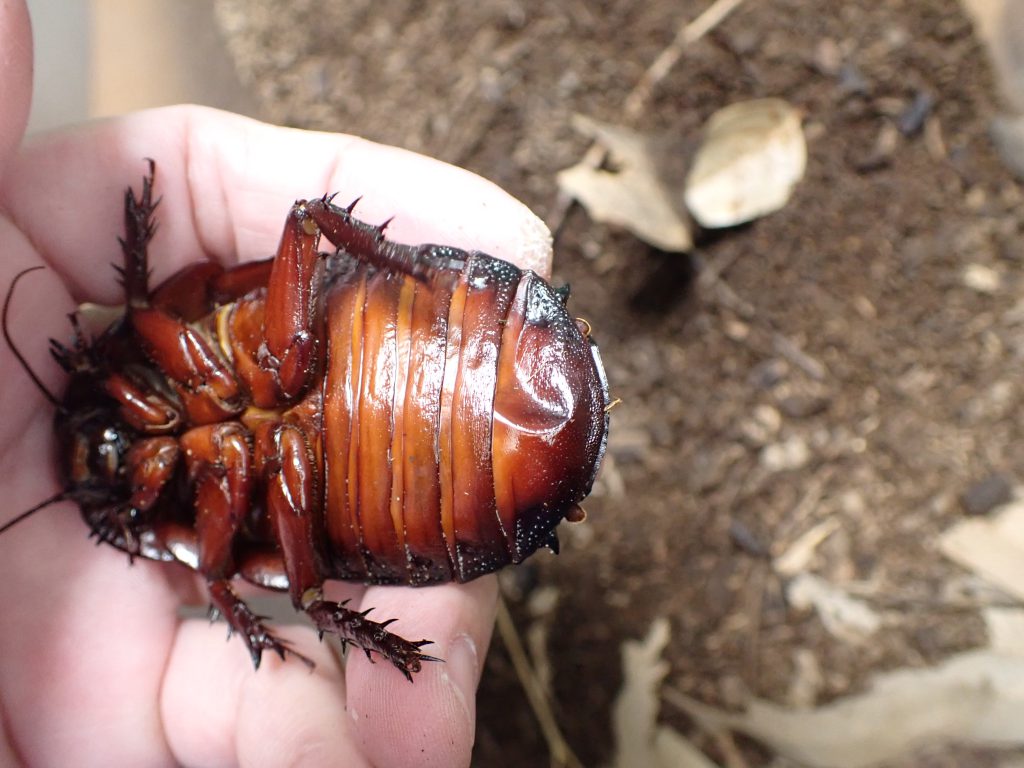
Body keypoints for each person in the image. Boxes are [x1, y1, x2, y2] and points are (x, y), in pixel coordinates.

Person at [0, 2, 553, 766]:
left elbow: (160, 307)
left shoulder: (158, 363)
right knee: (300, 587)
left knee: (308, 225)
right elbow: (227, 563)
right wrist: (232, 596)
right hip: (410, 488)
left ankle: (429, 281)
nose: (116, 449)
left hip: (424, 343)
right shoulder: (182, 497)